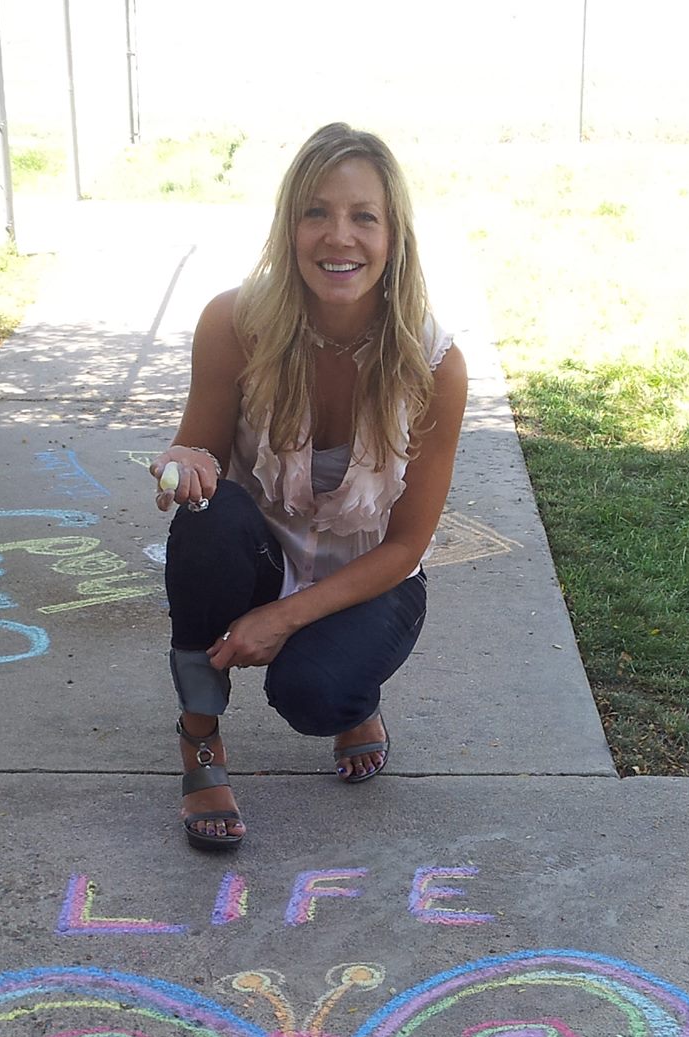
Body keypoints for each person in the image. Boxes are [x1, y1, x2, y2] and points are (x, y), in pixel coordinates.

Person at [150, 123, 468, 852]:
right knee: (209, 517)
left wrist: (283, 621)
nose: (339, 237)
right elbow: (198, 445)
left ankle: (356, 702)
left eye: (364, 217)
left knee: (313, 694)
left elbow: (408, 545)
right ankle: (199, 736)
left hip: (372, 577)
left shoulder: (435, 366)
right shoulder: (236, 322)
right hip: (265, 553)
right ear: (290, 224)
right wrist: (182, 458)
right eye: (316, 212)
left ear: (394, 237)